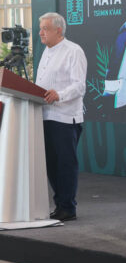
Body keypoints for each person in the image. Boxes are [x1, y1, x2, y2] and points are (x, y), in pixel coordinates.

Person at [36, 12, 87, 222]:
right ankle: (60, 205)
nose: (40, 33)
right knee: (51, 164)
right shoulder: (46, 52)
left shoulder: (73, 51)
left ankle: (68, 207)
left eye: (44, 29)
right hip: (44, 116)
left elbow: (79, 86)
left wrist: (60, 94)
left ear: (58, 30)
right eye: (40, 29)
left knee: (65, 164)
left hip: (65, 118)